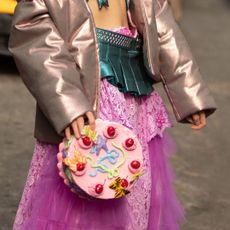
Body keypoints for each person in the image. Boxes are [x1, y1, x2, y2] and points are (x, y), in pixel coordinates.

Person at [9, 0, 216, 229]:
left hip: (136, 102)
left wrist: (190, 93)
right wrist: (68, 103)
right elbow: (35, 36)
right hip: (88, 99)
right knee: (86, 194)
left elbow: (163, 28)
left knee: (133, 191)